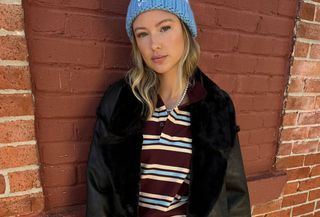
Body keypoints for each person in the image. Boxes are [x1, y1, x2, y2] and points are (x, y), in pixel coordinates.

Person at [86, 0, 251, 216]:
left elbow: (235, 194)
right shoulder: (118, 103)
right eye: (142, 34)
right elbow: (99, 189)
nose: (154, 44)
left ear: (184, 29)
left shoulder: (216, 105)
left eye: (165, 28)